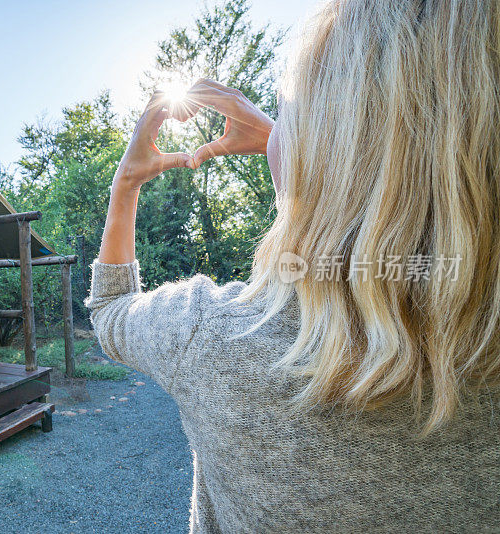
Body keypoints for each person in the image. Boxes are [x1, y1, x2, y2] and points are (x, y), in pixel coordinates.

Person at [84, 0, 500, 531]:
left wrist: (126, 185)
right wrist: (287, 145)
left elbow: (111, 309)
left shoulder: (211, 334)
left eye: (290, 111)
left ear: (325, 148)